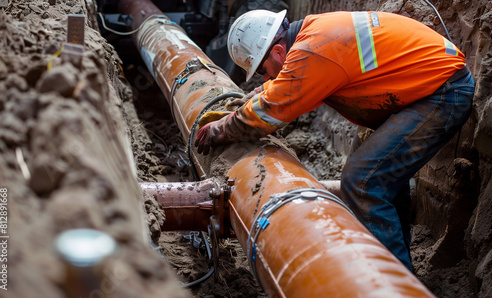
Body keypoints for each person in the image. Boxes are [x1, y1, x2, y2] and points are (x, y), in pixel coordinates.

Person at [194, 9, 475, 271]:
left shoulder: (313, 50)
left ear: (279, 51)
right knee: (379, 176)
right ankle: (398, 266)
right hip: (420, 90)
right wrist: (248, 99)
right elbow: (280, 85)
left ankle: (392, 281)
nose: (264, 76)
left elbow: (272, 110)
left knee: (363, 181)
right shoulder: (311, 35)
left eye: (261, 70)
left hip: (442, 94)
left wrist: (221, 130)